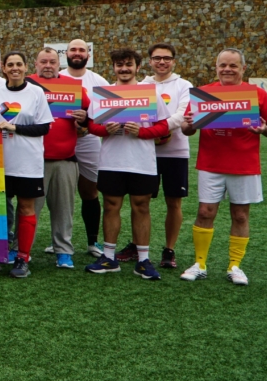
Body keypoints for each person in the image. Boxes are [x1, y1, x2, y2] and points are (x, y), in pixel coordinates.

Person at [179, 48, 267, 286]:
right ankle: (200, 264)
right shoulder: (204, 94)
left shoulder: (257, 94)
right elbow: (186, 129)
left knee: (240, 215)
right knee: (205, 212)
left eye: (233, 65)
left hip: (244, 164)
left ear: (243, 68)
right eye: (223, 65)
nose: (227, 69)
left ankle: (235, 266)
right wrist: (188, 124)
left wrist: (263, 130)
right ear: (216, 67)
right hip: (211, 163)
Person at [84, 48, 171, 279]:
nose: (124, 69)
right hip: (112, 161)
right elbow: (91, 126)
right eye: (119, 64)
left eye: (128, 64)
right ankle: (109, 257)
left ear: (138, 67)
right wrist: (106, 129)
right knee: (111, 205)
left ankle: (143, 260)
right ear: (113, 67)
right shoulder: (104, 94)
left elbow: (164, 126)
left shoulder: (149, 93)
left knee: (141, 206)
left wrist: (142, 132)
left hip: (141, 162)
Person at [120, 43, 192, 269]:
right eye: (157, 58)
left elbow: (182, 115)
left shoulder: (184, 85)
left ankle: (169, 249)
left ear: (174, 61)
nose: (162, 62)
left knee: (174, 201)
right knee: (139, 201)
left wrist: (159, 131)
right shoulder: (140, 85)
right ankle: (136, 244)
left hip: (175, 152)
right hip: (143, 151)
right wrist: (150, 135)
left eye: (167, 58)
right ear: (149, 62)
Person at [0, 51, 52, 278]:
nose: (14, 68)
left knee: (25, 207)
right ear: (4, 68)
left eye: (19, 64)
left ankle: (23, 257)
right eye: (10, 64)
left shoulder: (36, 92)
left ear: (25, 68)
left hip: (27, 161)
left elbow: (44, 127)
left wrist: (15, 128)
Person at [31, 47, 89, 269]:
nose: (47, 66)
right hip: (33, 161)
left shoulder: (73, 87)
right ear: (35, 64)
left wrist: (83, 119)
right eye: (43, 62)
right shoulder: (27, 84)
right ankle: (22, 249)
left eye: (52, 62)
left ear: (59, 64)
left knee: (64, 210)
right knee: (29, 209)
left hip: (65, 159)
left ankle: (63, 251)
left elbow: (89, 118)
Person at [65, 38, 110, 257]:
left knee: (89, 190)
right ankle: (60, 239)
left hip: (89, 139)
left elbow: (107, 114)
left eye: (81, 50)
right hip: (60, 139)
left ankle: (93, 242)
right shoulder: (57, 78)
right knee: (57, 191)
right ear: (66, 53)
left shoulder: (99, 81)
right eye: (73, 49)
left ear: (88, 55)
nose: (77, 53)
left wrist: (86, 125)